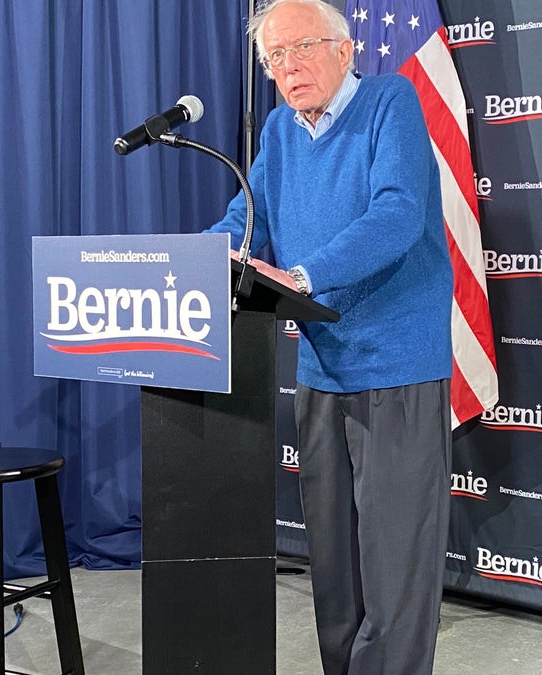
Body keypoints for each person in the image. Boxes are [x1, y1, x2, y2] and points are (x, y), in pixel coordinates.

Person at [207, 1, 454, 672]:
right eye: (273, 59)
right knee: (334, 570)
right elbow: (243, 220)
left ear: (344, 50)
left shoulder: (388, 101)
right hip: (322, 370)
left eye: (300, 49)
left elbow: (399, 212)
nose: (287, 69)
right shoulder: (282, 134)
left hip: (396, 366)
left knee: (395, 566)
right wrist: (187, 264)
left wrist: (304, 274)